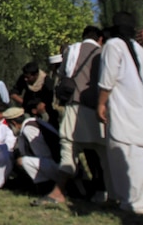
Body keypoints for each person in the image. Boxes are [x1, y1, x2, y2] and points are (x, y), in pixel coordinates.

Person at [35, 25, 110, 206]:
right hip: (98, 108)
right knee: (102, 152)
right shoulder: (104, 52)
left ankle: (59, 191)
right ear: (100, 39)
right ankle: (107, 191)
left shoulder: (72, 50)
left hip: (74, 106)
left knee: (68, 147)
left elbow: (62, 73)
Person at [98, 13, 143, 214]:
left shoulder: (113, 45)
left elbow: (108, 78)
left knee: (127, 154)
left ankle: (132, 202)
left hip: (123, 108)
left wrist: (101, 103)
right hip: (142, 109)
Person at [6, 106, 60, 193]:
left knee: (23, 161)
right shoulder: (34, 122)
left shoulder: (29, 129)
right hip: (58, 163)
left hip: (57, 165)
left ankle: (45, 187)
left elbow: (44, 154)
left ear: (13, 123)